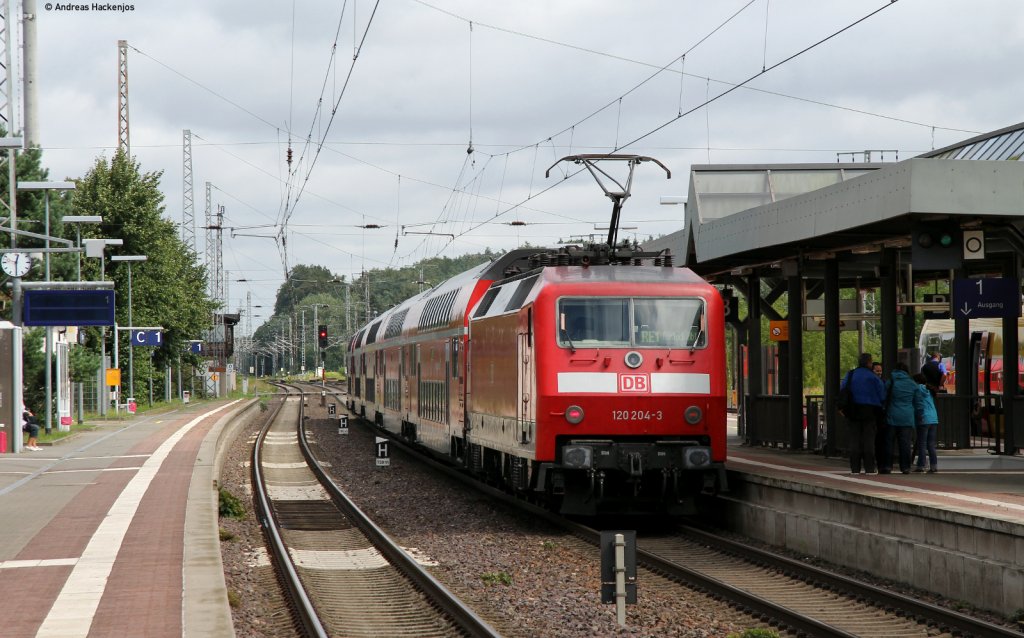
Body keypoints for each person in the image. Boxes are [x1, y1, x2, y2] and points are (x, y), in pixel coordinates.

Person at [840, 353, 887, 475]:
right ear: (869, 363)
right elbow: (882, 394)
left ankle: (855, 468)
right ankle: (869, 468)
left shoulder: (850, 375)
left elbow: (842, 389)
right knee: (869, 439)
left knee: (854, 439)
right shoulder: (873, 377)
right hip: (870, 411)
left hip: (853, 410)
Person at [884, 361, 920, 474]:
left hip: (892, 415)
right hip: (907, 417)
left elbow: (884, 396)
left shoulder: (891, 382)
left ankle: (887, 466)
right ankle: (905, 467)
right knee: (905, 444)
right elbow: (917, 402)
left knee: (889, 442)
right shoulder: (913, 384)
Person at [913, 373, 939, 473]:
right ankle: (934, 466)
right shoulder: (929, 390)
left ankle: (921, 465)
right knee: (931, 444)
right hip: (934, 418)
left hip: (924, 419)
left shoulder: (917, 389)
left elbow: (918, 405)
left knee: (922, 444)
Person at [871, 362, 890, 473]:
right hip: (877, 413)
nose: (879, 373)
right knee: (878, 441)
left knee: (879, 440)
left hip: (879, 415)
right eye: (877, 370)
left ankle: (880, 464)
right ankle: (880, 464)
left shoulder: (884, 382)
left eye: (880, 371)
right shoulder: (883, 383)